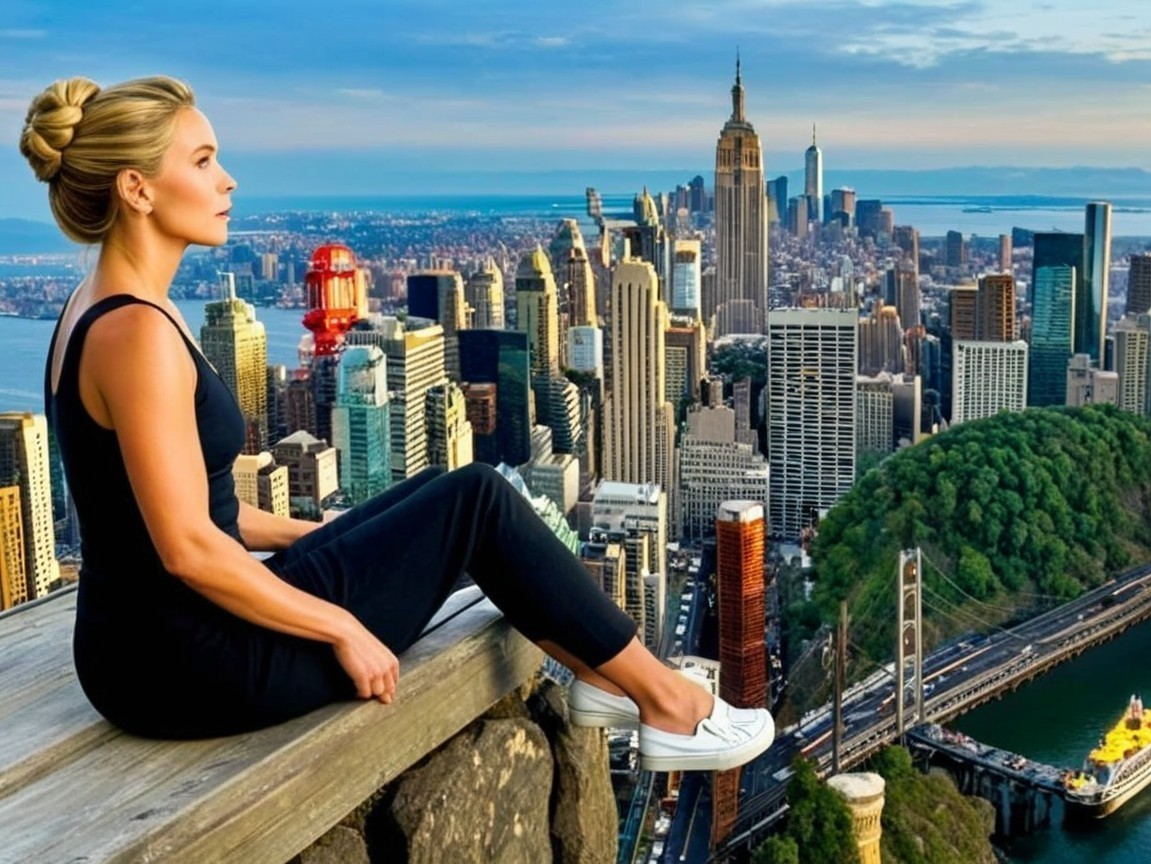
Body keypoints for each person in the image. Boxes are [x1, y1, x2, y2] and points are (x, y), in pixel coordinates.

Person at [20, 75, 775, 772]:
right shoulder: (136, 334)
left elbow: (203, 512)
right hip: (190, 661)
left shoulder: (111, 305)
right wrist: (343, 628)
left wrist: (314, 535)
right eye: (205, 159)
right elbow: (186, 550)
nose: (227, 180)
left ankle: (609, 680)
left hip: (159, 643)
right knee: (477, 501)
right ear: (137, 187)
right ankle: (671, 705)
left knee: (445, 489)